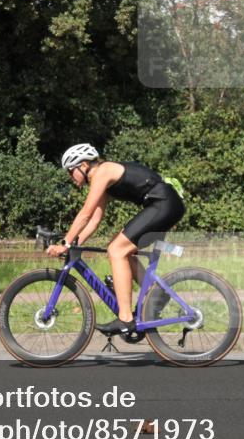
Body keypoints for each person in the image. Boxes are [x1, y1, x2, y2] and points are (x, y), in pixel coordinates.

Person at [46, 143, 185, 335]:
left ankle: (126, 319)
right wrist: (76, 243)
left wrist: (65, 243)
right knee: (121, 249)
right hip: (163, 205)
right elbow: (94, 220)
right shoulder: (102, 180)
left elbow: (85, 214)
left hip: (163, 204)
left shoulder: (102, 172)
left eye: (71, 172)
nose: (71, 178)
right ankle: (157, 296)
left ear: (84, 165)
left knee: (116, 250)